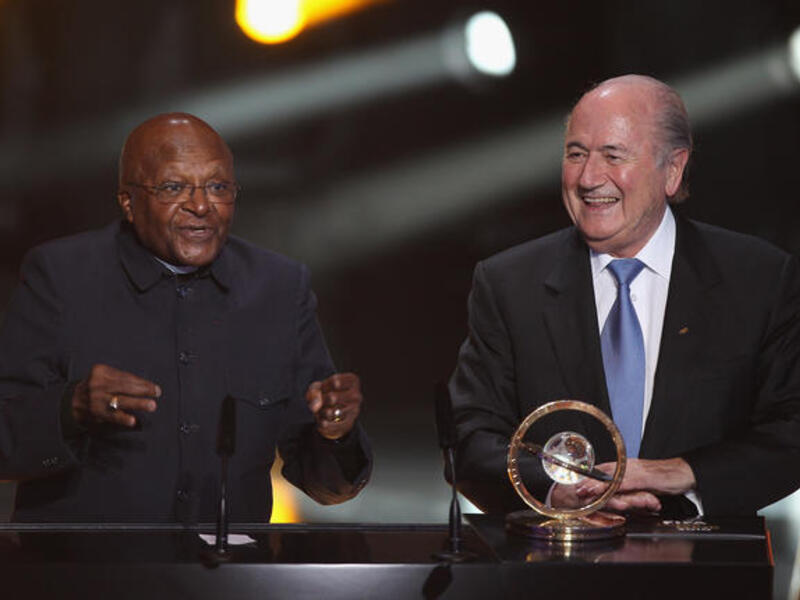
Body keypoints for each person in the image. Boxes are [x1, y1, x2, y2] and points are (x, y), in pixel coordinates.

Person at [449, 74, 800, 518]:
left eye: (613, 155)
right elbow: (469, 438)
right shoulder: (508, 283)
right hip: (555, 569)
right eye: (576, 154)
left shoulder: (757, 278)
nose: (589, 177)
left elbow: (791, 430)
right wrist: (555, 494)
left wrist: (684, 471)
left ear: (672, 169)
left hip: (708, 568)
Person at [0, 113, 371, 522]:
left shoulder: (280, 289)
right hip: (86, 576)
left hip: (231, 578)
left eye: (218, 187)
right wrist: (71, 408)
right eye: (173, 187)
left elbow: (327, 487)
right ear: (128, 201)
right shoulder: (59, 276)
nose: (200, 206)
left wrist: (335, 435)